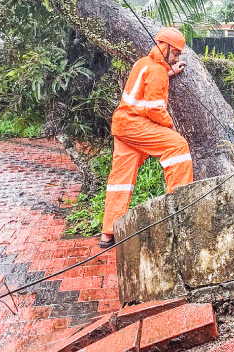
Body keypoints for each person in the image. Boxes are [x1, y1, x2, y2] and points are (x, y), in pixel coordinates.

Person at [99, 27, 194, 248]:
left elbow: (147, 83)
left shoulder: (143, 63)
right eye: (175, 53)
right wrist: (171, 128)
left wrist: (170, 71)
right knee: (177, 145)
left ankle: (108, 233)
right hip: (135, 126)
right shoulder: (157, 71)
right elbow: (155, 110)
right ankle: (178, 214)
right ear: (165, 47)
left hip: (122, 124)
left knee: (120, 180)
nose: (176, 57)